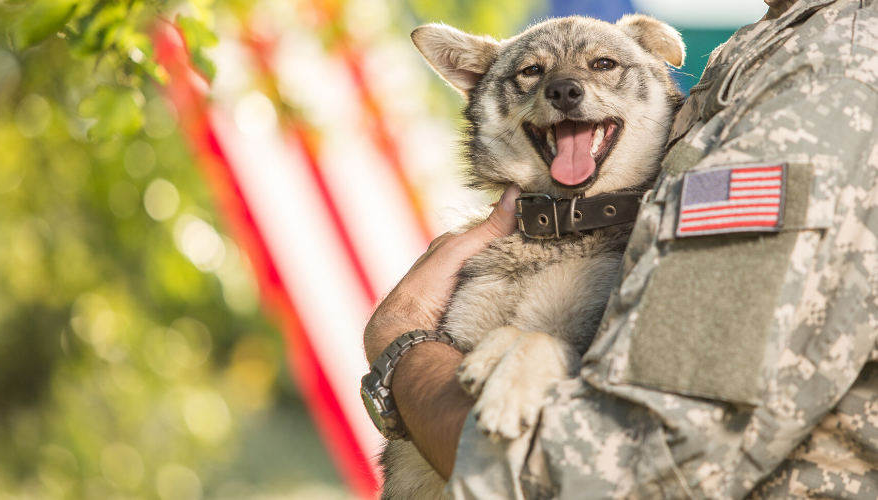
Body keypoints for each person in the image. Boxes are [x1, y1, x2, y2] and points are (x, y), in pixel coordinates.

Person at [363, 0, 878, 497]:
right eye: (532, 72)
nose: (565, 85)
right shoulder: (774, 38)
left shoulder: (831, 70)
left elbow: (622, 464)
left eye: (603, 65)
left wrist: (399, 340)